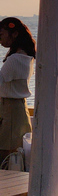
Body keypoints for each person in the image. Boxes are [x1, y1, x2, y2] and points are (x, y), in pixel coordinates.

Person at [0, 17, 35, 162]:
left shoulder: (15, 59)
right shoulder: (27, 57)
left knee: (5, 157)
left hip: (10, 111)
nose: (0, 39)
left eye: (1, 35)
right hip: (18, 109)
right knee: (13, 158)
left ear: (14, 34)